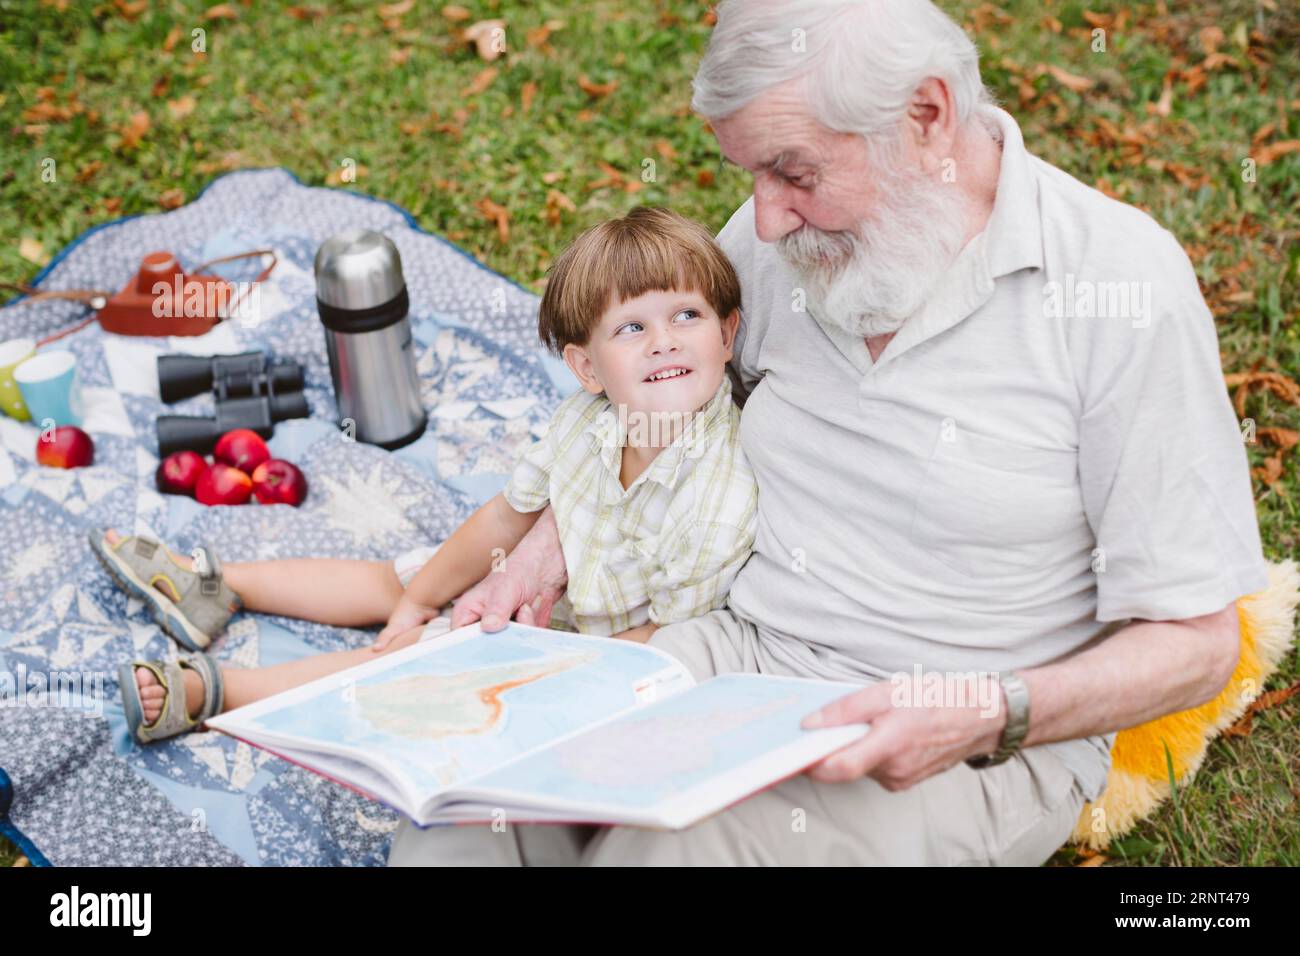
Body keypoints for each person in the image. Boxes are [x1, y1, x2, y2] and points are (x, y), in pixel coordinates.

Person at [387, 0, 1267, 866]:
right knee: (470, 802)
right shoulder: (782, 242)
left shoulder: (1116, 287)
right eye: (752, 176)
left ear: (926, 116)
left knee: (671, 854)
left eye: (795, 174)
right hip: (742, 654)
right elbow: (663, 404)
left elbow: (1197, 644)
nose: (764, 223)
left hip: (969, 738)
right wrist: (549, 543)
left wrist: (994, 710)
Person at [95, 206, 758, 744]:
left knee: (398, 664)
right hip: (536, 576)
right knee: (399, 576)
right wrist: (419, 596)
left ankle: (216, 691)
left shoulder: (717, 498)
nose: (663, 340)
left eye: (687, 316)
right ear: (588, 370)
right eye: (633, 326)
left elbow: (660, 647)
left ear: (727, 335)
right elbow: (506, 516)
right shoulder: (586, 421)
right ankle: (214, 585)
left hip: (574, 642)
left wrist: (504, 658)